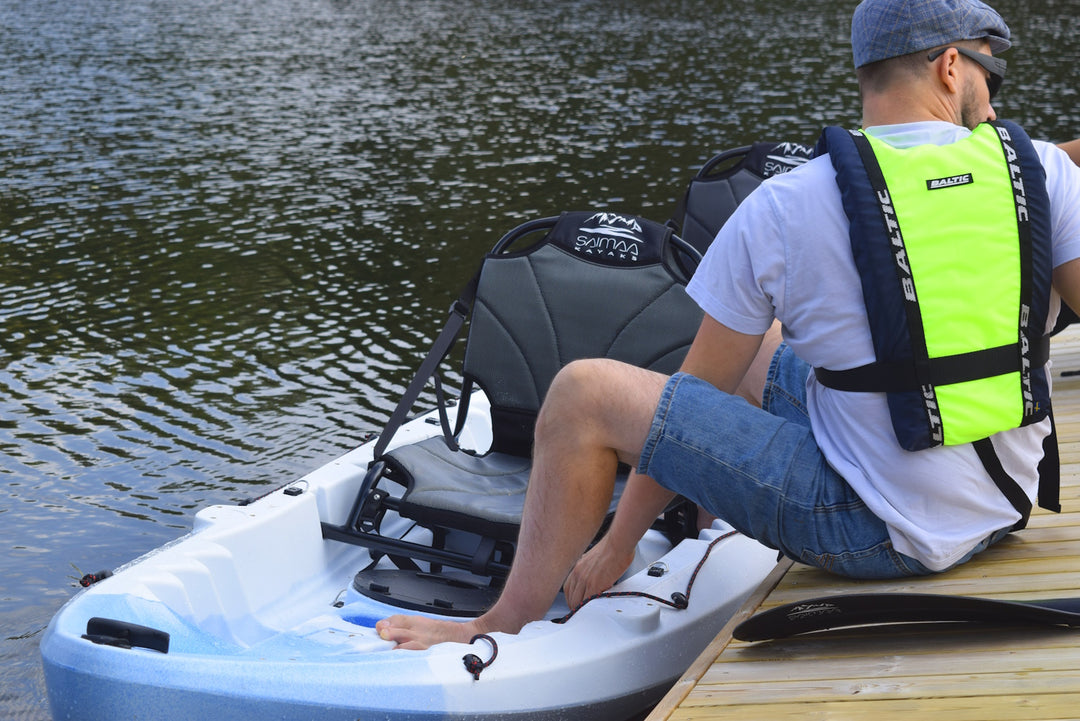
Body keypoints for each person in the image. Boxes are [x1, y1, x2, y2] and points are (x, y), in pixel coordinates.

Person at [377, 0, 1080, 650]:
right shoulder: (1044, 171)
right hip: (1000, 506)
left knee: (583, 394)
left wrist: (621, 540)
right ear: (952, 65)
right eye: (992, 71)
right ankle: (710, 520)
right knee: (757, 353)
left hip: (872, 532)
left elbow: (693, 392)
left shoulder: (787, 203)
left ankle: (500, 620)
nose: (993, 95)